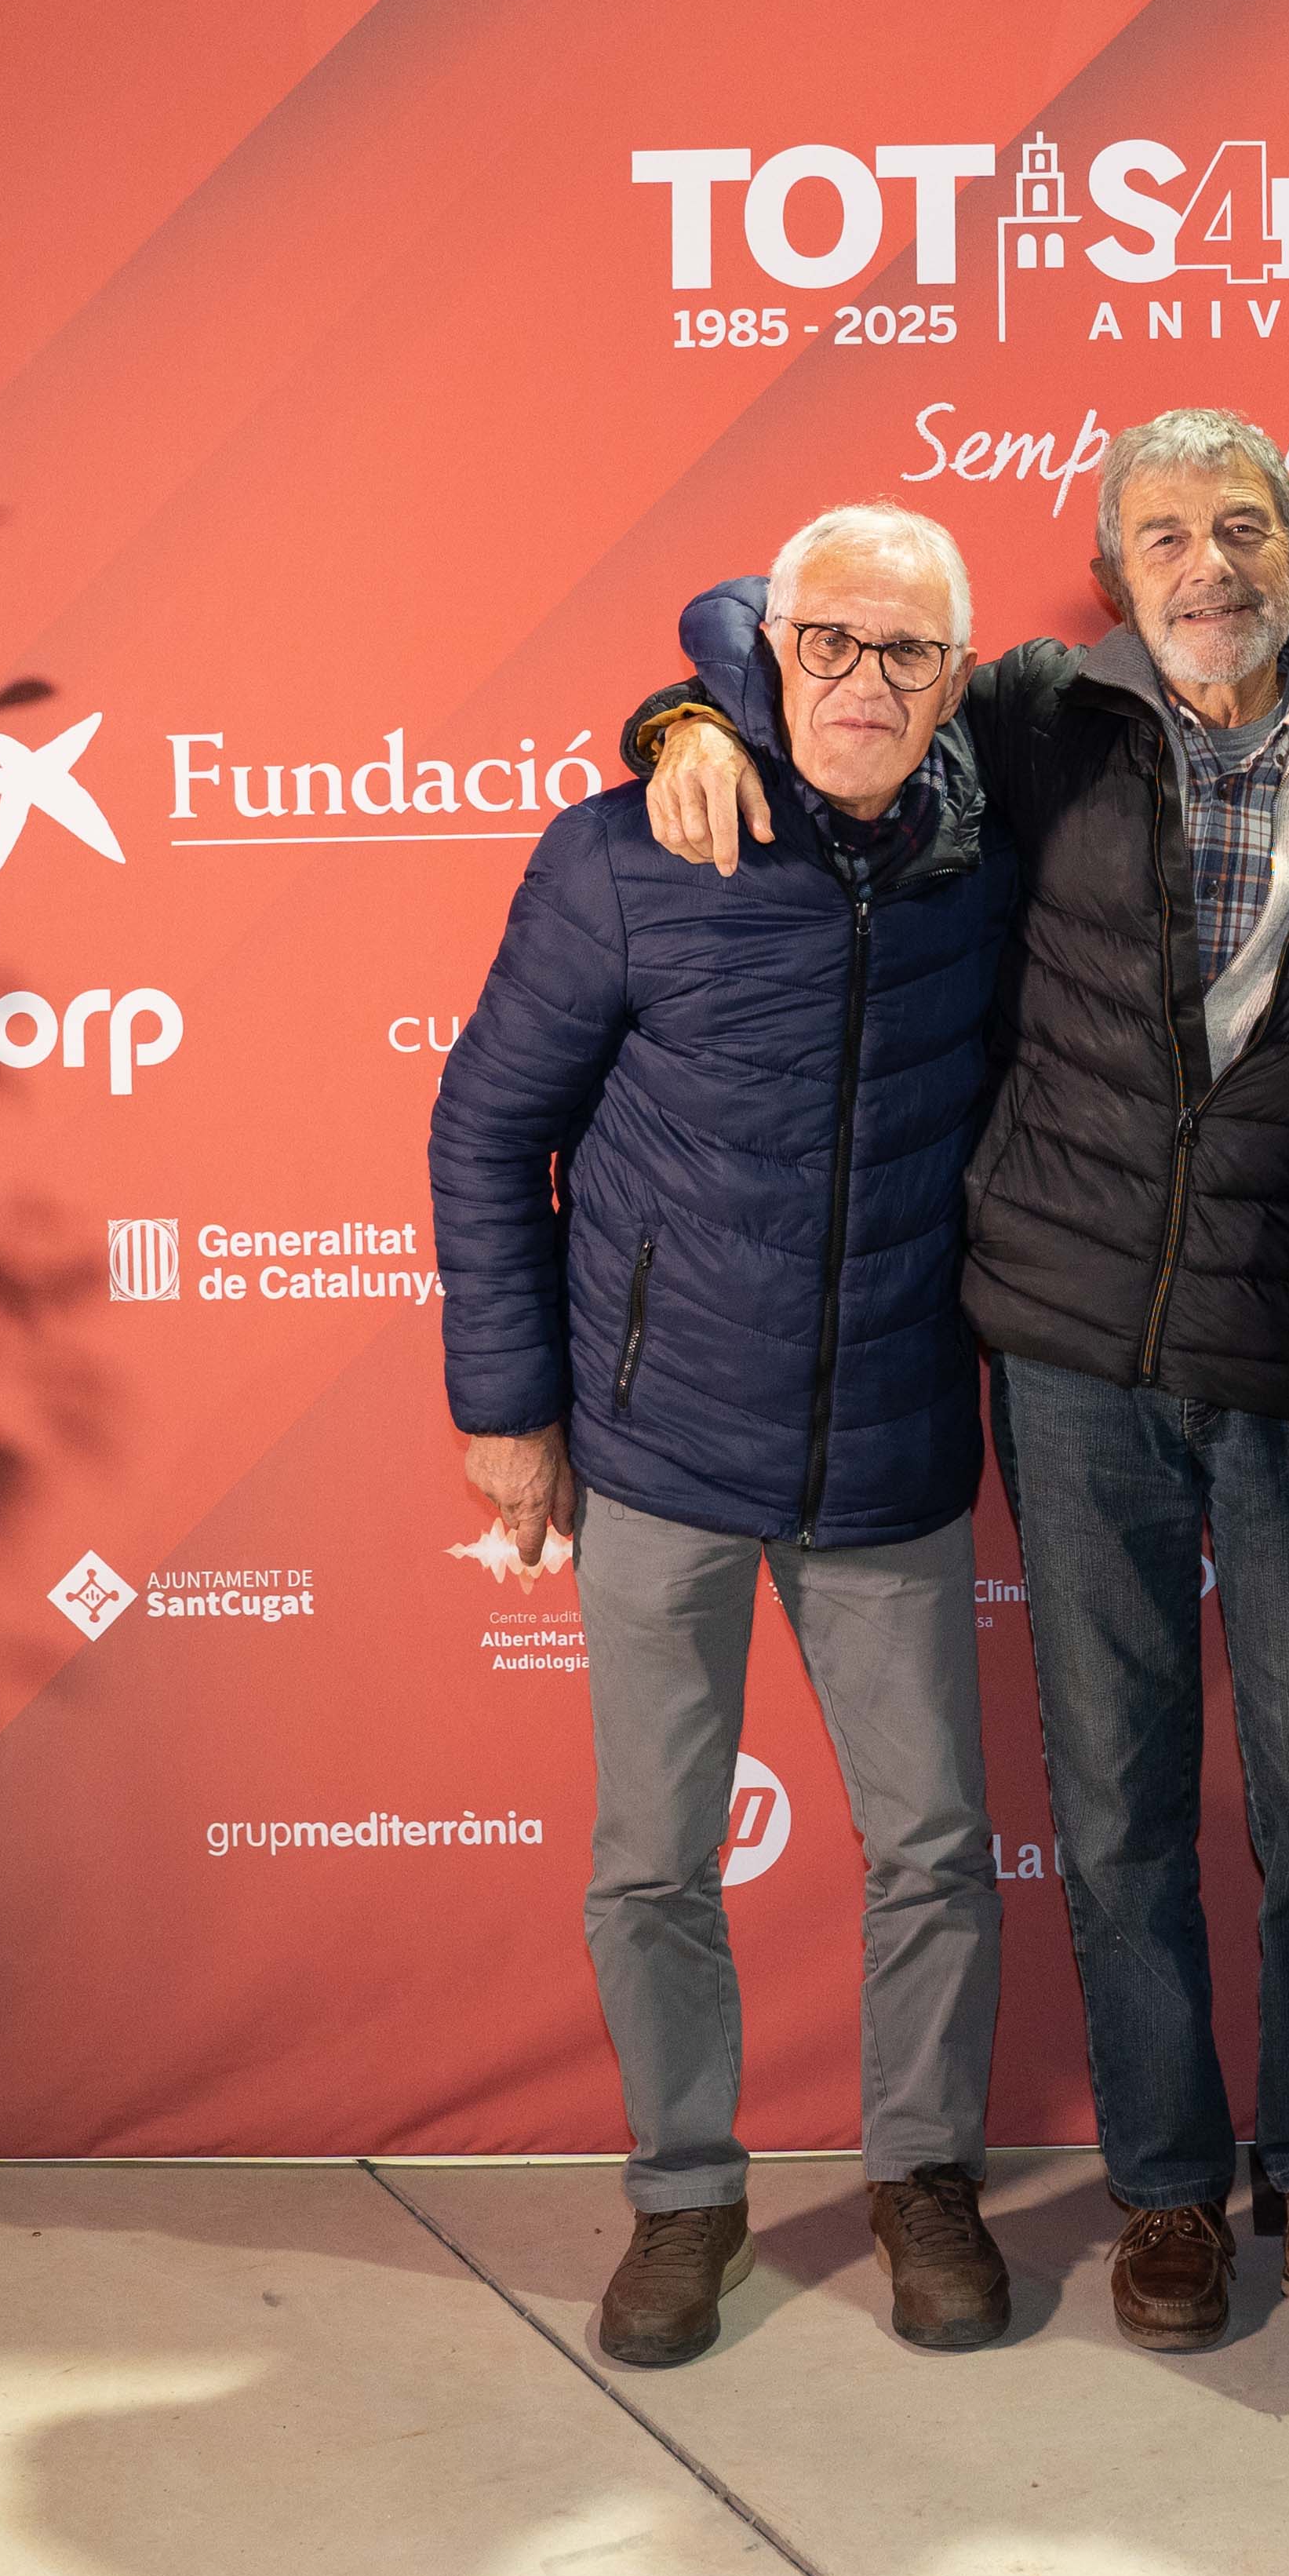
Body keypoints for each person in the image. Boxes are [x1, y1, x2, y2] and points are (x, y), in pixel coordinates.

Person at [628, 411, 1289, 2348]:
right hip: (1073, 1348)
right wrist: (682, 721)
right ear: (1113, 575)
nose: (1209, 565)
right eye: (1164, 535)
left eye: (1242, 525)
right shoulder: (1036, 716)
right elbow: (767, 625)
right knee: (1114, 1811)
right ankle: (1168, 2188)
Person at [431, 504, 1021, 2370]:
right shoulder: (629, 848)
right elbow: (485, 1129)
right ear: (768, 650)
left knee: (935, 1847)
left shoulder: (991, 851)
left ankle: (923, 2176)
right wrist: (509, 1406)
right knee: (652, 1858)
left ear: (957, 679)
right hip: (660, 1440)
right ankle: (686, 2192)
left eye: (906, 651)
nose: (863, 681)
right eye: (826, 642)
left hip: (895, 1440)